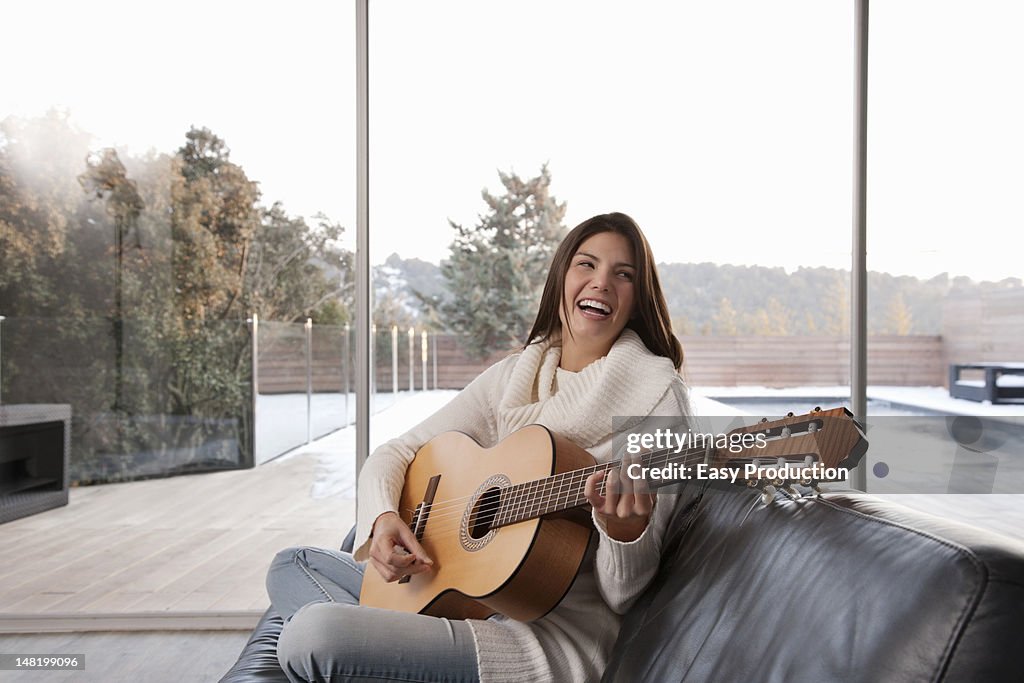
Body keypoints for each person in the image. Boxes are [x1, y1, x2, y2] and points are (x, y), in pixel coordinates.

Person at [266, 212, 691, 682]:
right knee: (292, 564)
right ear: (560, 280)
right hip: (464, 600)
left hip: (544, 639)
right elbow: (393, 453)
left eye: (623, 274)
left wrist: (623, 531)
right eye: (586, 265)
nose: (601, 283)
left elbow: (624, 596)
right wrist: (385, 520)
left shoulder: (657, 394)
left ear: (637, 299)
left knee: (310, 636)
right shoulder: (514, 378)